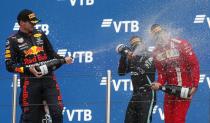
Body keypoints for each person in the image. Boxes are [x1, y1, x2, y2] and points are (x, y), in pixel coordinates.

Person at [5, 9, 73, 123]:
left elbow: (52, 54)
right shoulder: (12, 40)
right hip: (29, 82)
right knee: (31, 118)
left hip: (48, 79)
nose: (34, 24)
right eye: (31, 22)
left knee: (57, 112)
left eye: (35, 21)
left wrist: (63, 60)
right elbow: (9, 66)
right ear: (22, 23)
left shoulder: (40, 34)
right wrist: (27, 69)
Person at [150, 24, 200, 123]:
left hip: (185, 87)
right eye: (156, 34)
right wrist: (159, 83)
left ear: (165, 32)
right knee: (168, 120)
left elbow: (194, 64)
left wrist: (195, 85)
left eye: (160, 32)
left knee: (178, 120)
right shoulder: (155, 52)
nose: (159, 36)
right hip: (170, 90)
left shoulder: (180, 43)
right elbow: (162, 72)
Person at [117, 36, 156, 123]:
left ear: (143, 44)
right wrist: (123, 56)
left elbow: (142, 70)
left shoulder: (150, 55)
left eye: (138, 43)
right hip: (135, 95)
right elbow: (121, 72)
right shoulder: (132, 57)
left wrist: (133, 58)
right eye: (133, 44)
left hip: (148, 94)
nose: (136, 45)